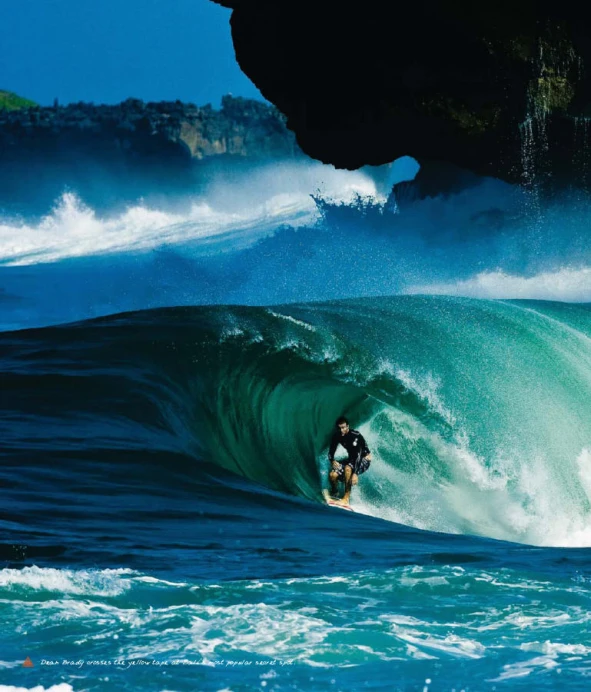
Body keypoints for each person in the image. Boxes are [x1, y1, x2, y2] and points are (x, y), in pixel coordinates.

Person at [327, 416, 372, 505]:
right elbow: (331, 451)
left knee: (348, 469)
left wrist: (355, 473)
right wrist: (332, 460)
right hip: (351, 459)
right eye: (339, 428)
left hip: (363, 459)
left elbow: (358, 456)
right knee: (333, 475)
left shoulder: (355, 436)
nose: (341, 430)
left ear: (348, 426)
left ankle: (346, 499)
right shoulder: (337, 436)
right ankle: (335, 493)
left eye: (343, 427)